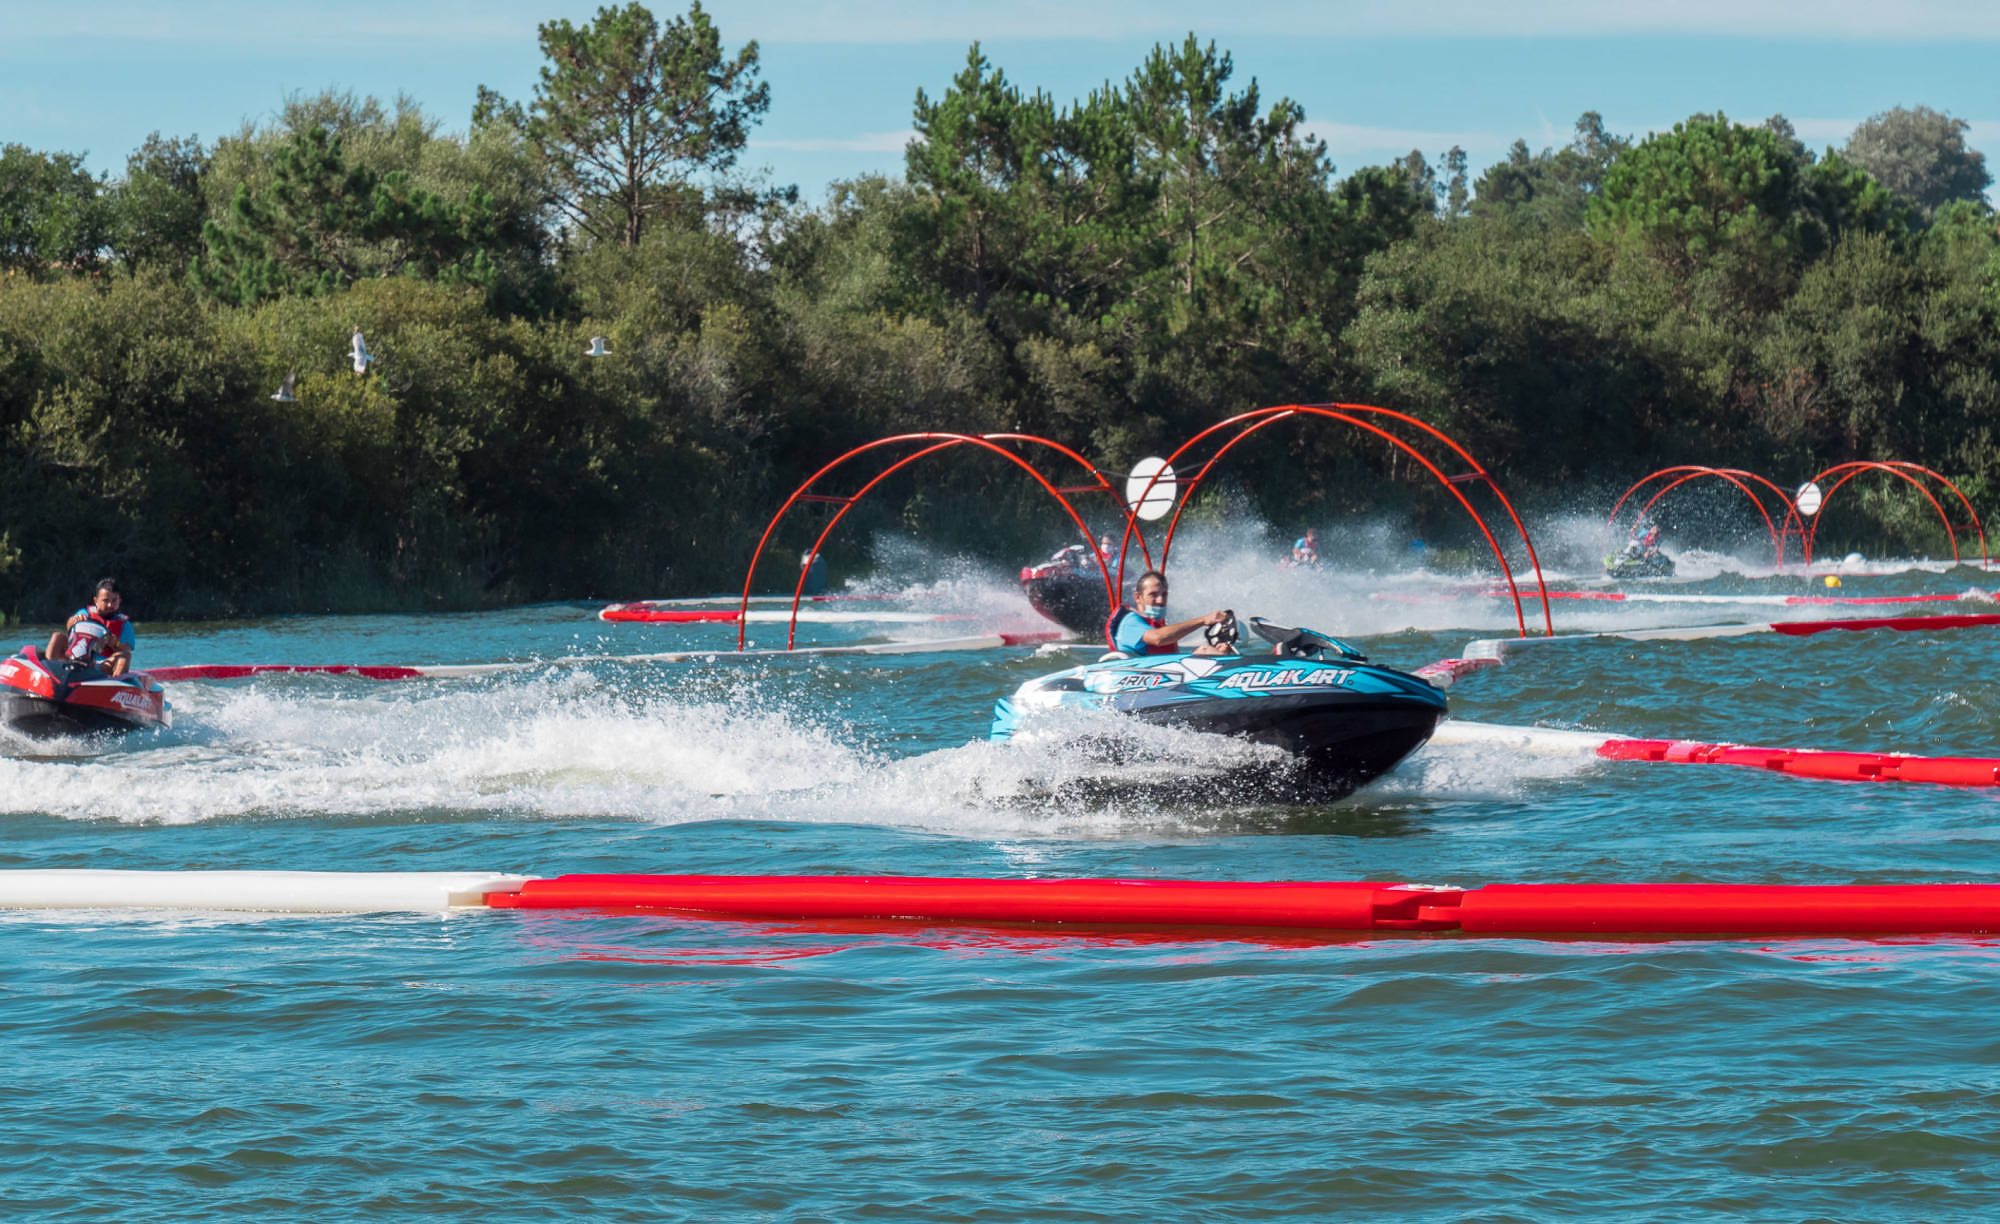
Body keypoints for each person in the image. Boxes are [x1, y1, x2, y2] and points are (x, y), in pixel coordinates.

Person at [1105, 570, 1232, 656]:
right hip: (1140, 681)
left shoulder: (1158, 627)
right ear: (1138, 597)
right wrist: (1203, 620)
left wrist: (1209, 654)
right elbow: (1158, 638)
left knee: (1205, 651)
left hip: (1161, 680)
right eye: (1153, 595)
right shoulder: (1129, 622)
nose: (1160, 600)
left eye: (1164, 594)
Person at [47, 577, 136, 676]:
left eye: (114, 601)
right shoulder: (84, 614)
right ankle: (49, 673)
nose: (110, 605)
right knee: (57, 636)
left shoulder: (125, 625)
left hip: (102, 666)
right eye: (105, 601)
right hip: (73, 658)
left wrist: (116, 644)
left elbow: (127, 649)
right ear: (96, 601)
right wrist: (73, 621)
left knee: (125, 655)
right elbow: (70, 627)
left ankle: (116, 682)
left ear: (119, 601)